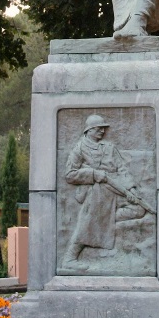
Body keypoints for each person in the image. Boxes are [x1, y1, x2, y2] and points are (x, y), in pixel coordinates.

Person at [63, 114, 146, 267]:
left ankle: (106, 222)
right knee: (88, 221)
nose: (102, 131)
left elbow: (122, 169)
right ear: (88, 130)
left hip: (116, 187)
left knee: (139, 209)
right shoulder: (79, 149)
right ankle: (70, 258)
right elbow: (70, 174)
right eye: (98, 128)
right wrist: (93, 174)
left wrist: (132, 188)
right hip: (95, 191)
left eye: (103, 128)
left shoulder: (109, 147)